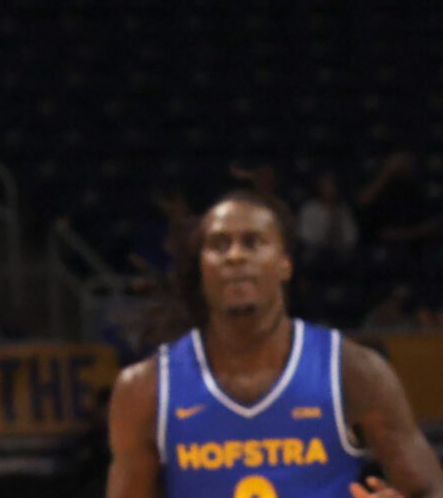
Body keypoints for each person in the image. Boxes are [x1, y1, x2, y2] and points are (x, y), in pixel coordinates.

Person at [106, 189, 440, 498]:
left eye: (252, 242)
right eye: (219, 245)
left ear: (285, 264)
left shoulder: (352, 371)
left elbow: (429, 490)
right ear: (202, 268)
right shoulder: (146, 389)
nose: (235, 256)